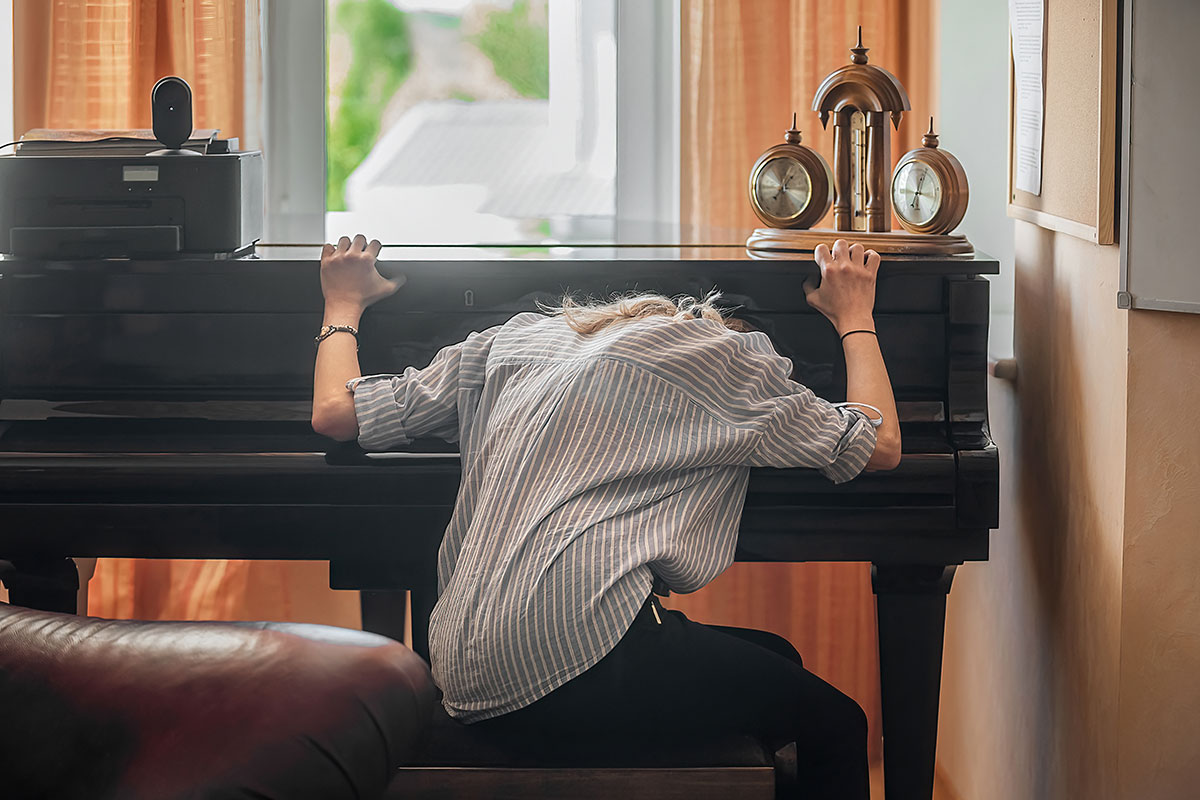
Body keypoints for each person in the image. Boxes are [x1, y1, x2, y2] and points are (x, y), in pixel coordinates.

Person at [312, 235, 900, 800]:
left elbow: (337, 413)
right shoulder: (719, 351)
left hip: (464, 663)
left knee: (775, 657)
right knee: (838, 724)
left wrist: (343, 301)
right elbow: (879, 444)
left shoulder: (513, 340)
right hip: (572, 660)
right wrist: (854, 315)